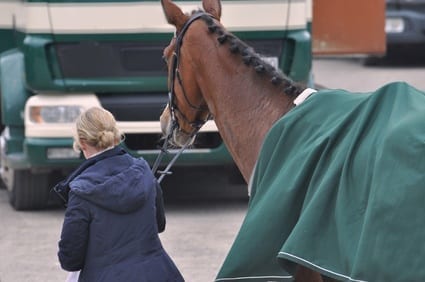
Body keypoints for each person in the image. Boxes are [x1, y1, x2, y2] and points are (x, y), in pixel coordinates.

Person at [55, 107, 184, 282]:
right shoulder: (144, 171)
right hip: (157, 274)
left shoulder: (81, 191)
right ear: (114, 134)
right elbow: (158, 224)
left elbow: (70, 259)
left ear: (82, 142)